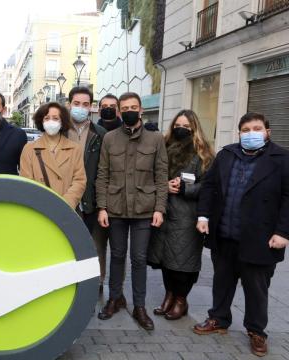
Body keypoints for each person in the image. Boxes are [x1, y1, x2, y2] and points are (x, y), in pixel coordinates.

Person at [193, 112, 289, 357]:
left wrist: (284, 232)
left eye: (256, 128)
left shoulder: (284, 160)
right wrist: (203, 216)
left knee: (256, 288)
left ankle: (256, 331)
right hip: (224, 234)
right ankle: (219, 319)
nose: (251, 133)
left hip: (261, 239)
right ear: (239, 133)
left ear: (267, 132)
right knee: (221, 282)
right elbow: (209, 186)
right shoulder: (226, 155)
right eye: (245, 129)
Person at [95, 92, 168, 330]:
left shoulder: (155, 139)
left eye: (133, 107)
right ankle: (115, 299)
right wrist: (102, 207)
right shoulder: (110, 139)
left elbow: (161, 175)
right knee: (116, 256)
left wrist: (159, 208)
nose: (128, 110)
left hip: (144, 209)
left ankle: (139, 306)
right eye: (124, 107)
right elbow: (102, 174)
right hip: (115, 208)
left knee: (138, 258)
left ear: (141, 110)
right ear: (118, 111)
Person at [147, 110, 215, 321]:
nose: (181, 128)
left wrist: (186, 189)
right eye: (178, 124)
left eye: (186, 126)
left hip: (187, 215)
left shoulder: (203, 153)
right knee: (165, 260)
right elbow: (150, 175)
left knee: (183, 262)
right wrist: (163, 185)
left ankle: (181, 300)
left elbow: (209, 186)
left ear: (194, 128)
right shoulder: (163, 147)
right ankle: (169, 295)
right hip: (164, 211)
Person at [67, 87, 108, 291]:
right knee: (68, 243)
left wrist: (102, 203)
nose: (81, 108)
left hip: (92, 197)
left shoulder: (101, 134)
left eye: (85, 104)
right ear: (69, 105)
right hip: (66, 197)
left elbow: (105, 170)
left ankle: (96, 284)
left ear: (91, 107)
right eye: (76, 104)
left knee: (96, 245)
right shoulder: (60, 131)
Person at [19, 102, 86, 208]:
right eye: (47, 118)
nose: (51, 122)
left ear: (62, 122)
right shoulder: (29, 149)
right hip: (40, 209)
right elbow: (26, 182)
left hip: (66, 209)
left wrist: (66, 204)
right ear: (41, 121)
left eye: (55, 118)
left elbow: (79, 180)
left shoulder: (74, 149)